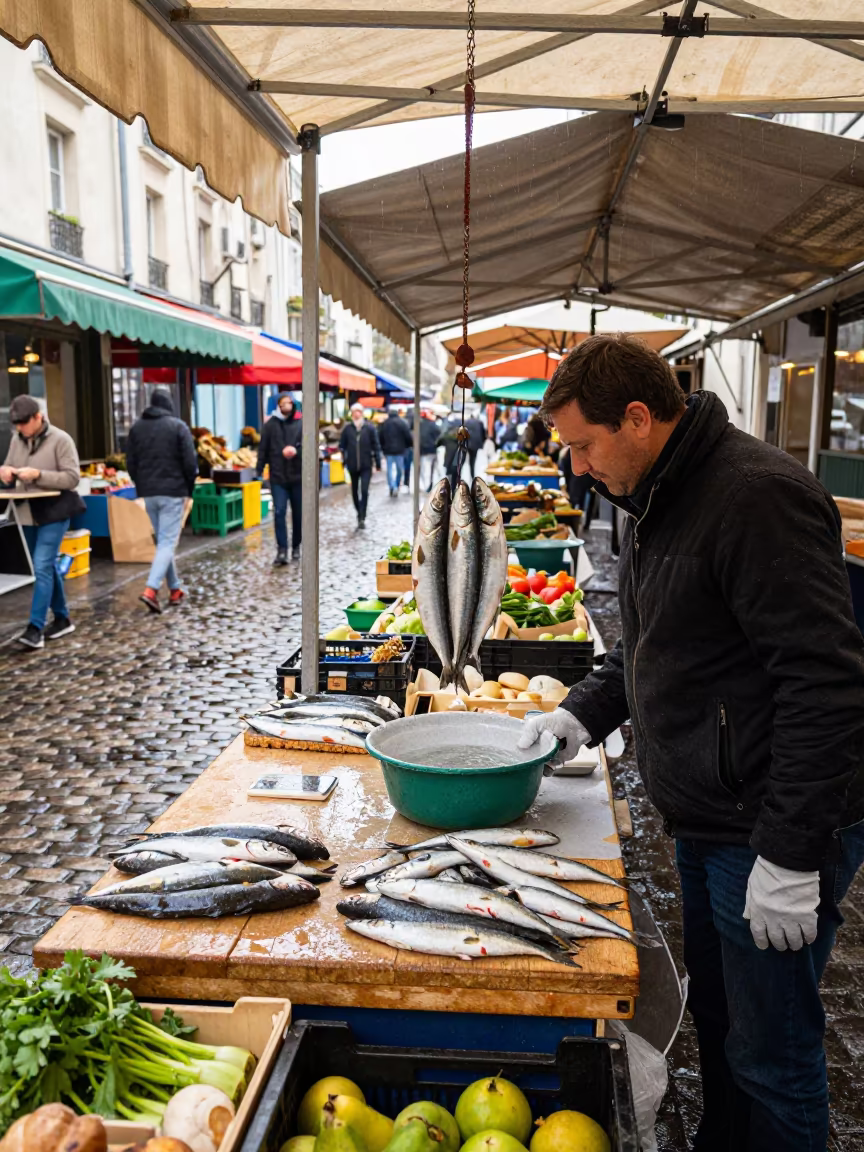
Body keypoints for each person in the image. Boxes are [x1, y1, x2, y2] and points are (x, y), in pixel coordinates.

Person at [517, 334, 864, 1152]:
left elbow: (828, 684)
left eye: (582, 445)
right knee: (719, 1021)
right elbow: (659, 644)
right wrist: (580, 713)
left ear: (637, 418)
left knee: (771, 1052)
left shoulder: (758, 497)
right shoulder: (656, 492)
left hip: (766, 827)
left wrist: (787, 853)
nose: (575, 467)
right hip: (711, 820)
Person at [0, 396, 83, 649]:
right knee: (45, 567)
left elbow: (72, 478)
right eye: (17, 424)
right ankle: (62, 618)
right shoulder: (17, 439)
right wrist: (6, 472)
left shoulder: (62, 439)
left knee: (42, 565)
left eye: (24, 423)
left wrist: (39, 475)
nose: (20, 429)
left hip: (54, 512)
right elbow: (10, 467)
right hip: (25, 512)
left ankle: (35, 627)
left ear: (38, 417)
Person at [126, 390, 198, 611]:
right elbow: (190, 463)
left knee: (162, 544)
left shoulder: (136, 428)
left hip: (149, 493)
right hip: (173, 492)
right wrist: (189, 491)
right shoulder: (178, 427)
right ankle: (151, 589)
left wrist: (140, 486)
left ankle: (175, 589)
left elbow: (130, 462)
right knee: (167, 543)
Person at [256, 392, 303, 565]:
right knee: (279, 512)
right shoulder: (270, 426)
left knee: (298, 514)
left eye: (288, 403)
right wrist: (259, 471)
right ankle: (282, 549)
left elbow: (309, 447)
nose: (286, 406)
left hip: (298, 476)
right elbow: (263, 450)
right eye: (282, 403)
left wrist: (296, 452)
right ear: (278, 405)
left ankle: (296, 546)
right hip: (278, 477)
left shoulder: (301, 424)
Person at [339, 403, 381, 528]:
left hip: (366, 464)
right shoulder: (347, 429)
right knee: (354, 491)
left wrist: (377, 462)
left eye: (358, 411)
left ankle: (362, 515)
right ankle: (358, 511)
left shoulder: (369, 428)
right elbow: (342, 445)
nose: (356, 414)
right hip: (352, 465)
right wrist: (344, 460)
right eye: (354, 412)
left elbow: (376, 445)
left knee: (364, 490)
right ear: (351, 414)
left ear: (362, 413)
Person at [377, 407, 413, 497]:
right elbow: (408, 436)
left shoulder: (385, 423)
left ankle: (392, 486)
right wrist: (408, 445)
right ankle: (396, 485)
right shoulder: (402, 423)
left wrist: (383, 448)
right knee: (399, 470)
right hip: (400, 450)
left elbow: (380, 437)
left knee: (389, 470)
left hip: (388, 451)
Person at [419, 411, 440, 492]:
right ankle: (429, 485)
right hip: (431, 449)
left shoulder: (418, 424)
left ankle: (425, 484)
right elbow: (438, 434)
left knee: (423, 468)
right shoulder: (432, 424)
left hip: (420, 450)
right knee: (430, 468)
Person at [465, 414, 486, 479]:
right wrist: (482, 443)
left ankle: (459, 477)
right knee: (473, 460)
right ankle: (472, 475)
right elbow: (483, 434)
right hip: (476, 444)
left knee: (463, 460)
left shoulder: (466, 422)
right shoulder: (479, 422)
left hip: (467, 443)